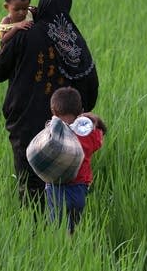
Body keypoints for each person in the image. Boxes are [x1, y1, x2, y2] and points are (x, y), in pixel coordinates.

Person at [0, 0, 99, 208]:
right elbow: (90, 82)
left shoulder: (24, 33)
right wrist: (79, 116)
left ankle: (34, 226)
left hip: (24, 119)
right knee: (60, 177)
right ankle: (60, 224)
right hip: (63, 122)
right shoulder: (72, 40)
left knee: (28, 177)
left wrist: (4, 42)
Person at [45, 86, 106, 235]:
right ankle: (72, 241)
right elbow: (100, 135)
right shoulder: (88, 135)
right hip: (79, 187)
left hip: (55, 185)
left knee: (56, 224)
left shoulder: (50, 133)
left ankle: (59, 247)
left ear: (54, 113)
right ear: (81, 112)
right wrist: (94, 120)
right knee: (73, 223)